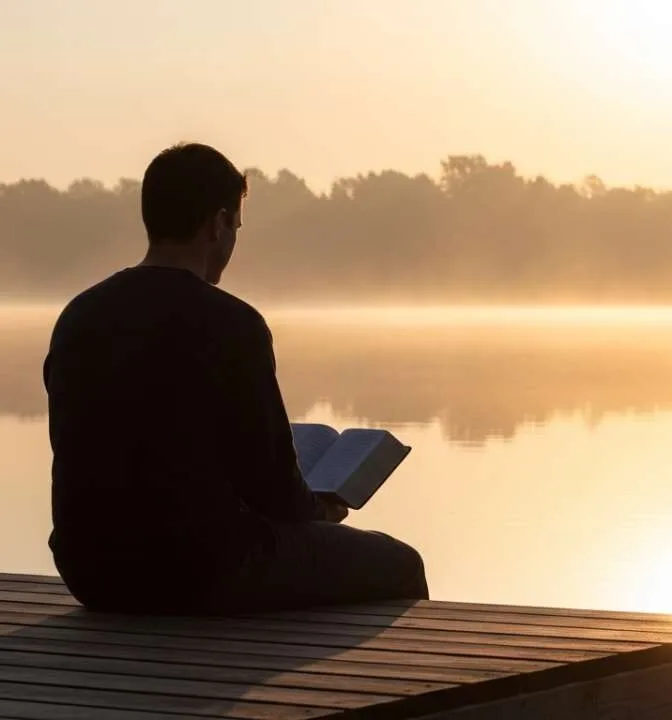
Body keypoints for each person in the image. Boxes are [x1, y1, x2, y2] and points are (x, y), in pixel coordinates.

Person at [43, 142, 428, 615]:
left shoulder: (79, 316)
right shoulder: (232, 324)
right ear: (218, 223)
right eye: (236, 227)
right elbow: (274, 489)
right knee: (401, 563)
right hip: (200, 569)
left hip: (91, 571)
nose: (232, 243)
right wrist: (322, 513)